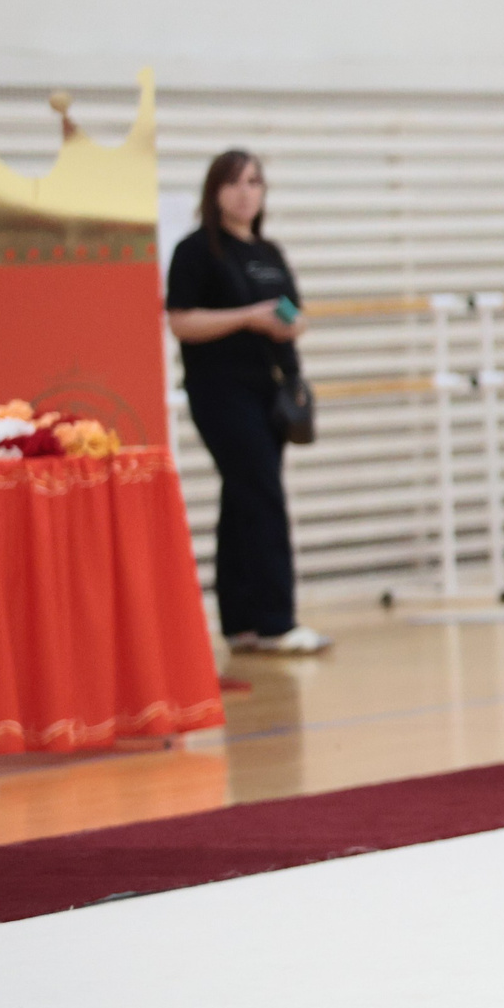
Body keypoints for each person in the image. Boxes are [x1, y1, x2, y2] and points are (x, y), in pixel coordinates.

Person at [165, 151, 331, 654]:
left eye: (254, 182)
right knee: (261, 492)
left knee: (241, 499)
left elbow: (293, 314)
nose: (245, 192)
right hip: (221, 391)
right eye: (234, 183)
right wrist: (246, 317)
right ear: (214, 192)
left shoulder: (269, 251)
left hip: (271, 389)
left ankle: (241, 623)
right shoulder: (197, 251)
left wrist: (288, 323)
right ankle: (278, 620)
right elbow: (181, 321)